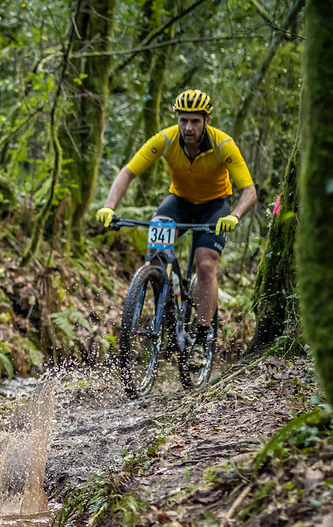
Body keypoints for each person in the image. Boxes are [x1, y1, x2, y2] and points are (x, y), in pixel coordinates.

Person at [96, 89, 257, 362]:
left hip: (214, 206)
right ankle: (166, 305)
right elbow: (129, 172)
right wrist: (109, 206)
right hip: (179, 201)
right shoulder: (166, 139)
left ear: (207, 121)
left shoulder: (223, 144)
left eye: (195, 121)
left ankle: (202, 336)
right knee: (155, 254)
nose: (188, 127)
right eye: (183, 120)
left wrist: (235, 216)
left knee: (205, 263)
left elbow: (249, 190)